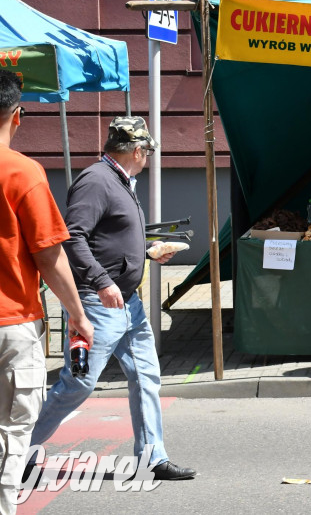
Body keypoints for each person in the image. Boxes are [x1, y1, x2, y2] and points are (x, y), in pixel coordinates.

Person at [25, 117, 196, 481]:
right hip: (99, 304)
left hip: (127, 304)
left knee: (146, 376)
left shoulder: (118, 180)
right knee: (78, 382)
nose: (148, 158)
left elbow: (109, 237)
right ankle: (18, 451)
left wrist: (146, 251)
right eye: (147, 152)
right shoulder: (97, 181)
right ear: (137, 151)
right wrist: (102, 281)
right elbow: (73, 237)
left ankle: (153, 457)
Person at [0, 70, 94, 514]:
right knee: (14, 431)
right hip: (13, 324)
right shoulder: (23, 172)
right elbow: (49, 256)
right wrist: (77, 313)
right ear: (17, 115)